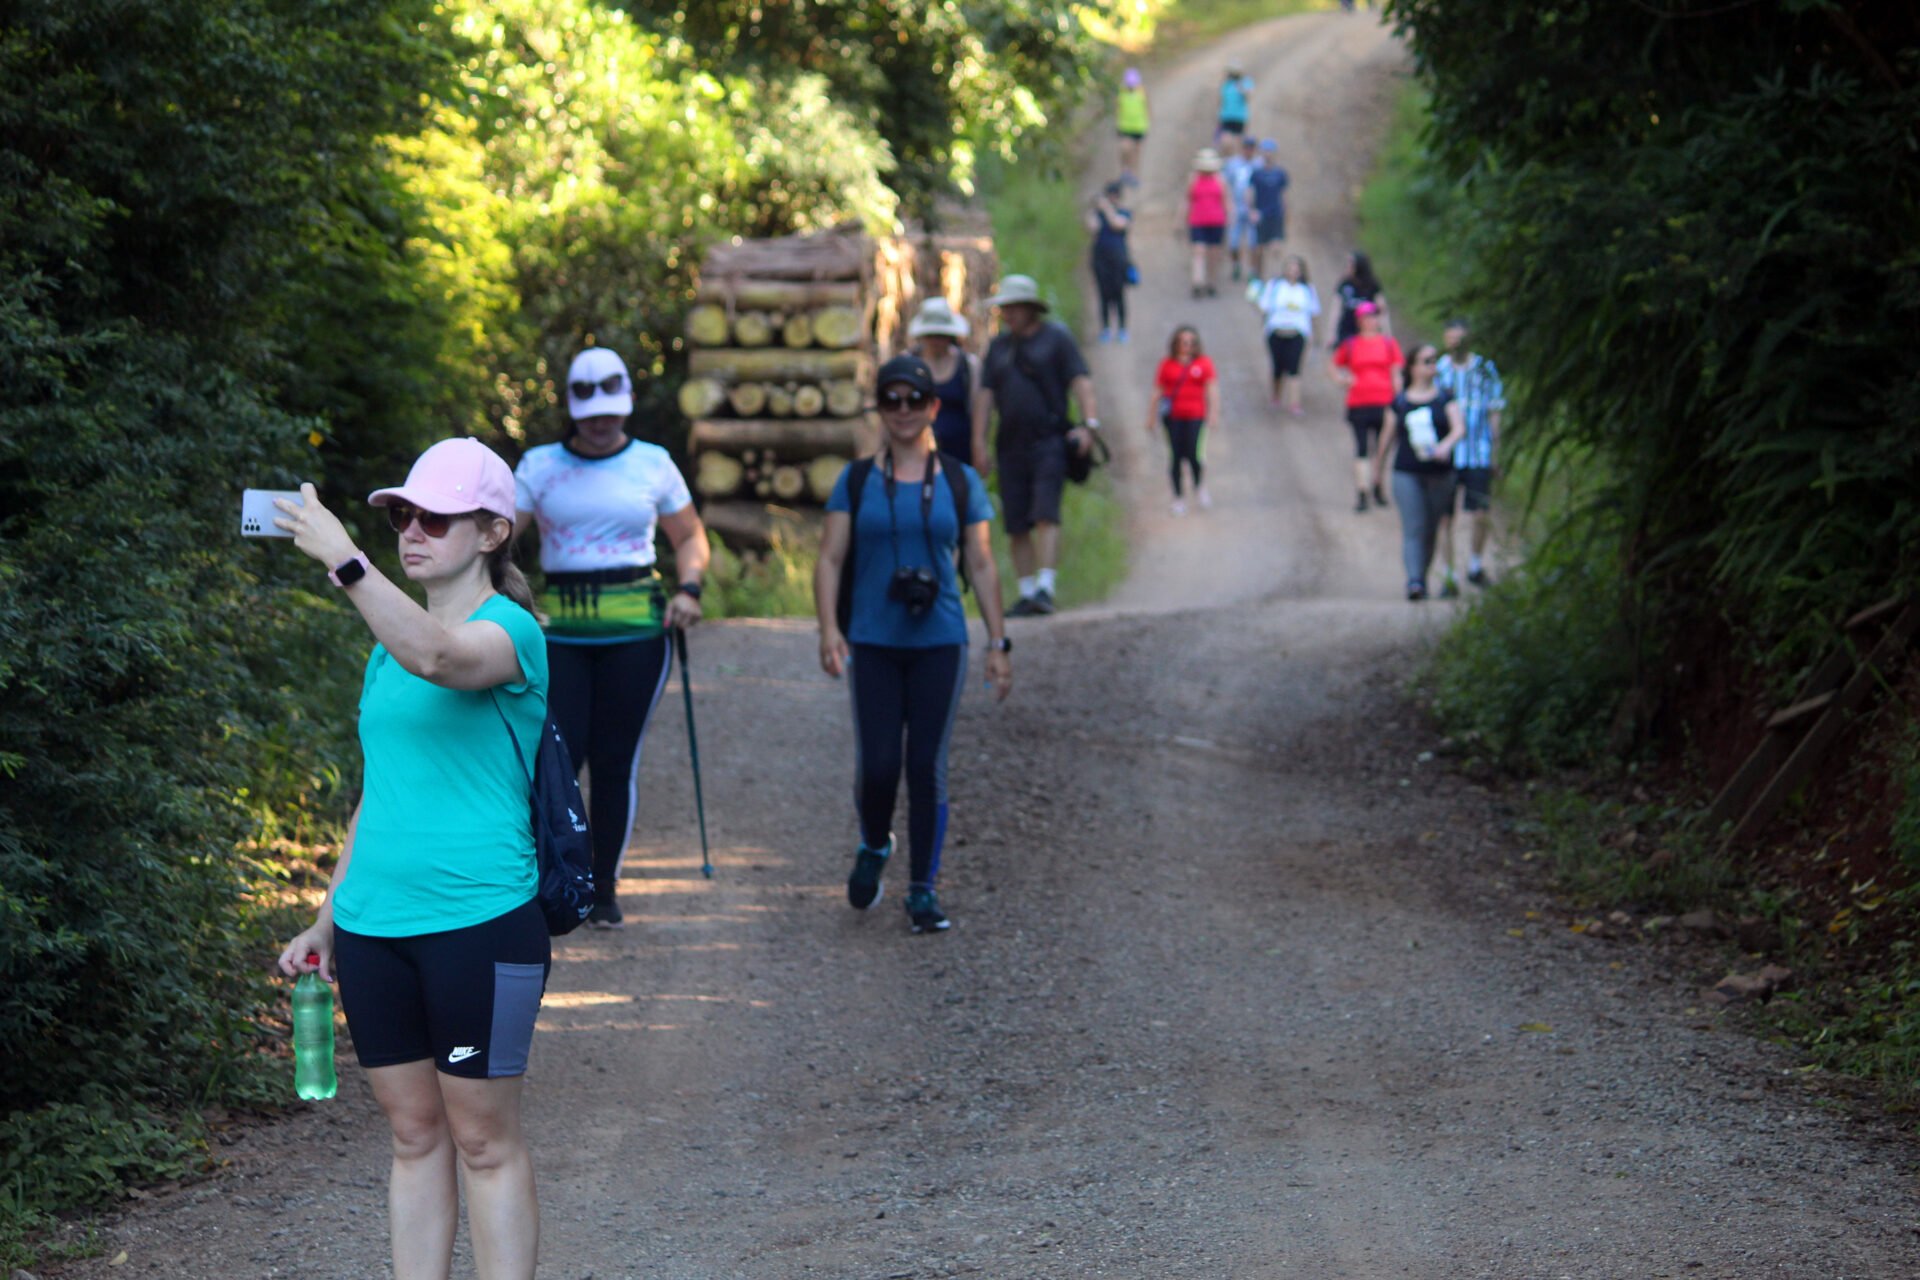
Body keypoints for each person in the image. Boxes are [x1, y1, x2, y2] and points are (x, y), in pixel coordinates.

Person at [274, 437, 550, 1280]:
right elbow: (378, 794)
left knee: (482, 1139)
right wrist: (327, 916)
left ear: (493, 532)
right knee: (413, 1134)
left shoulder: (512, 632)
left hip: (482, 921)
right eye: (401, 515)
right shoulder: (381, 650)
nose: (412, 529)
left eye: (436, 516)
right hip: (374, 927)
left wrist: (346, 562)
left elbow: (440, 657)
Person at [512, 347, 709, 931]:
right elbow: (499, 537)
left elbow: (690, 537)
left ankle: (603, 888)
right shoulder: (539, 465)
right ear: (572, 408)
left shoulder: (653, 463)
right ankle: (549, 877)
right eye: (592, 412)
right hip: (563, 636)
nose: (603, 423)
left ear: (625, 408)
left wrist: (690, 589)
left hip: (639, 632)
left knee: (614, 758)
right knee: (560, 757)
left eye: (612, 412)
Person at [814, 355, 1012, 934]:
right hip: (873, 640)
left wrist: (998, 643)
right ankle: (875, 844)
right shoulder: (854, 481)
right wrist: (828, 628)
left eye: (913, 399)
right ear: (880, 407)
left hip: (940, 641)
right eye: (891, 399)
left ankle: (923, 890)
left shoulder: (958, 480)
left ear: (933, 407)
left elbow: (981, 561)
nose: (902, 410)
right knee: (879, 766)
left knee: (926, 765)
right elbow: (829, 559)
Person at [971, 274, 1101, 617]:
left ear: (1031, 309)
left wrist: (1089, 425)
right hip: (1009, 445)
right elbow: (985, 397)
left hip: (1049, 441)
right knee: (1015, 522)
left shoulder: (1056, 339)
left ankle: (1046, 586)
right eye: (1005, 308)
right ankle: (1027, 591)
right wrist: (978, 443)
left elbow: (1081, 381)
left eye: (1014, 307)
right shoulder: (998, 348)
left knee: (1045, 512)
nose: (1008, 314)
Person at [1372, 343, 1466, 600]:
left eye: (1434, 360)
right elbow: (1386, 437)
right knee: (1414, 526)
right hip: (1406, 473)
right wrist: (1377, 470)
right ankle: (1414, 581)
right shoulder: (1400, 402)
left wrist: (1446, 446)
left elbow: (1459, 428)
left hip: (1440, 474)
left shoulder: (1445, 398)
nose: (1432, 366)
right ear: (1412, 367)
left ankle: (1421, 576)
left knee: (1431, 527)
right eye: (1426, 361)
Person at [1432, 317, 1506, 593]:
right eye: (1450, 338)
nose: (1454, 343)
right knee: (1444, 518)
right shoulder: (1439, 370)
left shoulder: (1485, 370)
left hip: (1479, 453)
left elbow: (1495, 410)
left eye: (1458, 338)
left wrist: (1496, 452)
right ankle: (1449, 575)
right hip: (1449, 456)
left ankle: (1475, 564)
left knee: (1480, 513)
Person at [1329, 300, 1404, 512]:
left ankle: (1378, 484)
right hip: (1359, 401)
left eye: (1374, 316)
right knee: (1361, 447)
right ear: (1360, 320)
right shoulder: (1351, 344)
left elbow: (1396, 372)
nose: (1371, 320)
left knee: (1382, 447)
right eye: (1367, 317)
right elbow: (1333, 365)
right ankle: (1362, 491)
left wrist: (1398, 398)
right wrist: (1342, 380)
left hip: (1384, 401)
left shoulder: (1388, 344)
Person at [1146, 325, 1220, 515]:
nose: (1187, 346)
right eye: (1183, 342)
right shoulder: (1167, 365)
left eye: (1191, 342)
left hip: (1196, 415)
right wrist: (1151, 417)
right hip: (1173, 417)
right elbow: (1157, 391)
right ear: (1176, 343)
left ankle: (1199, 486)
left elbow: (1212, 389)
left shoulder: (1203, 363)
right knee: (1176, 457)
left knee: (1195, 455)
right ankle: (1178, 497)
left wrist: (1213, 414)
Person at [906, 297, 981, 466]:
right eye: (931, 335)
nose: (936, 341)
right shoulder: (908, 363)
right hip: (916, 452)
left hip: (960, 452)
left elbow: (977, 409)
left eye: (941, 335)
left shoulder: (968, 365)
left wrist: (978, 445)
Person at [1252, 254, 1319, 415]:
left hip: (1298, 332)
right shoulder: (1274, 286)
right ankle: (1276, 396)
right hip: (1276, 331)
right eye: (1290, 267)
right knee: (1278, 366)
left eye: (1296, 267)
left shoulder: (1307, 289)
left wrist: (1315, 335)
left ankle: (1294, 402)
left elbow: (1314, 313)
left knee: (1294, 367)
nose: (1293, 271)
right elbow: (1263, 306)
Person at [1085, 182, 1133, 344]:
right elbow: (1092, 228)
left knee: (1119, 294)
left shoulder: (1124, 212)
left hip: (1118, 258)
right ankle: (1105, 328)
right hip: (1101, 258)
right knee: (1103, 295)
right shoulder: (1097, 215)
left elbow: (1117, 224)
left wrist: (1107, 209)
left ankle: (1122, 328)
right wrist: (1095, 210)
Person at [1245, 139, 1291, 283]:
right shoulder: (1256, 173)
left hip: (1275, 214)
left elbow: (1284, 195)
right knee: (1259, 249)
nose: (1267, 154)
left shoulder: (1280, 173)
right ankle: (1259, 276)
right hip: (1260, 215)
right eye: (1265, 151)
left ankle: (1275, 277)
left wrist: (1286, 214)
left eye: (1270, 151)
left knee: (1276, 247)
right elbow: (1250, 193)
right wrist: (1251, 211)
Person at [1185, 149, 1229, 300]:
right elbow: (1187, 200)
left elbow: (1225, 201)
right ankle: (1197, 282)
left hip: (1216, 221)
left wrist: (1229, 217)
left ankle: (1211, 283)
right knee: (1199, 251)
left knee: (1213, 254)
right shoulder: (1193, 179)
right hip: (1197, 220)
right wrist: (1180, 220)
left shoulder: (1220, 179)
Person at [1222, 135, 1260, 283]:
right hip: (1236, 207)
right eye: (1246, 147)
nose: (1248, 150)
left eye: (1251, 148)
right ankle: (1236, 264)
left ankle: (1252, 270)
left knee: (1253, 242)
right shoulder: (1232, 164)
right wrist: (1228, 206)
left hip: (1253, 208)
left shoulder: (1258, 165)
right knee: (1233, 242)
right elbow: (1226, 185)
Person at [1332, 251, 1389, 348]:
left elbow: (1382, 309)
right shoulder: (1345, 283)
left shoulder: (1372, 284)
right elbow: (1336, 309)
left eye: (1350, 263)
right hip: (1346, 329)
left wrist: (1386, 333)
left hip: (1366, 332)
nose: (1348, 266)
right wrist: (1332, 333)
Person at [1116, 67, 1149, 185]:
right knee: (1125, 149)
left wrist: (1147, 124)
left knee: (1136, 153)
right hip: (1125, 128)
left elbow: (1146, 109)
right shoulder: (1122, 93)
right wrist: (1118, 124)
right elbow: (1118, 109)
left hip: (1139, 127)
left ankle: (1134, 175)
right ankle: (1125, 171)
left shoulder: (1142, 93)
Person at [1217, 64, 1252, 142]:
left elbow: (1248, 97)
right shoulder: (1226, 84)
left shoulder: (1245, 82)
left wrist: (1241, 88)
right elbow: (1221, 100)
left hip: (1240, 117)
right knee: (1226, 141)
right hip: (1226, 116)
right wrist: (1219, 115)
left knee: (1238, 140)